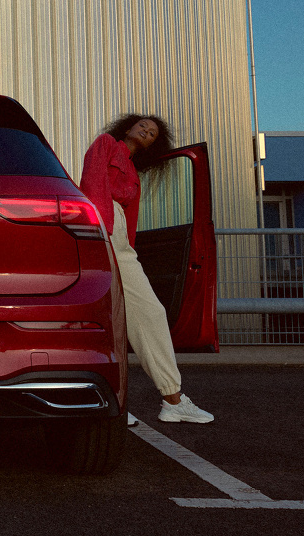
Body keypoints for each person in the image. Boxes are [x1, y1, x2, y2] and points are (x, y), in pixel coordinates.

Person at [80, 114, 214, 424]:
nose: (146, 131)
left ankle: (168, 400)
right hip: (101, 229)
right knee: (111, 319)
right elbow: (92, 184)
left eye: (152, 133)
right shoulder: (106, 144)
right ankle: (120, 404)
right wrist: (97, 235)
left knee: (139, 315)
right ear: (128, 127)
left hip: (118, 238)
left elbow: (129, 218)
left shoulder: (132, 172)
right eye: (142, 125)